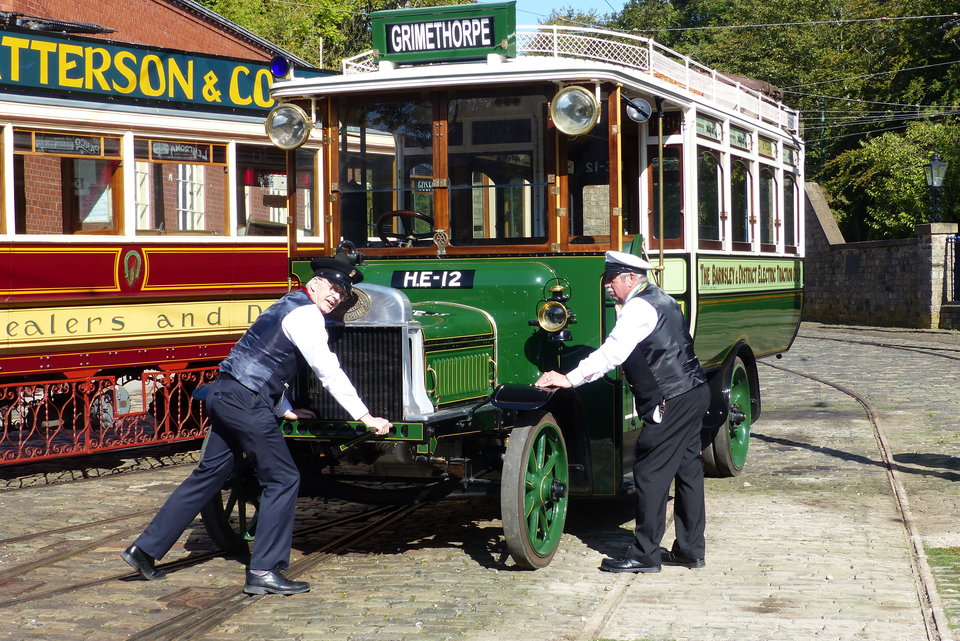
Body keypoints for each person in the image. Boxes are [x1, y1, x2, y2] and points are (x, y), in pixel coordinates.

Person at [121, 250, 392, 595]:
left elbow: (263, 358)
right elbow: (328, 370)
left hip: (224, 394)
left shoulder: (286, 304)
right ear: (315, 282)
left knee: (208, 475)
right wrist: (365, 416)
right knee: (283, 478)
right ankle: (265, 569)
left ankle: (143, 550)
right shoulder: (307, 315)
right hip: (246, 403)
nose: (335, 297)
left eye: (342, 294)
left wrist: (284, 409)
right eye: (332, 288)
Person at [535, 250, 710, 573]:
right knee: (688, 470)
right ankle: (690, 549)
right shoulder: (662, 299)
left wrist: (569, 378)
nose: (608, 287)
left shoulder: (638, 308)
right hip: (694, 391)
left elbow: (612, 353)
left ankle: (645, 555)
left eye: (612, 279)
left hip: (671, 398)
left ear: (631, 278)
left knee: (650, 471)